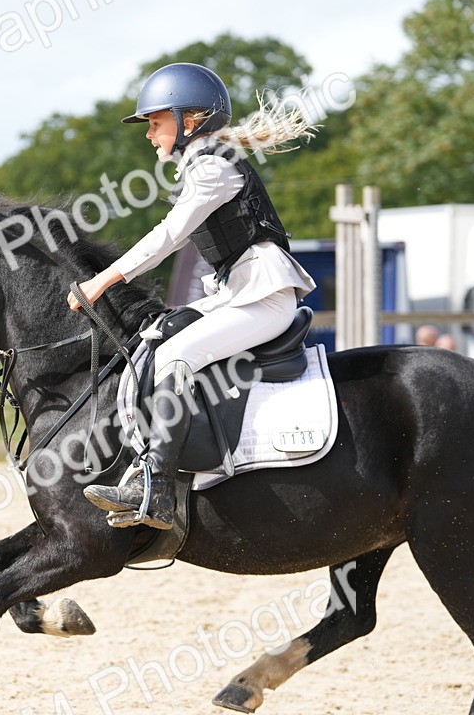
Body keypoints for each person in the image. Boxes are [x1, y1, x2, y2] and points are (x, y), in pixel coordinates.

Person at [71, 62, 317, 530]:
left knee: (176, 356)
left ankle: (158, 488)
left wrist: (101, 281)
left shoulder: (212, 169)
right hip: (239, 293)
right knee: (157, 335)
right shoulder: (206, 163)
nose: (149, 134)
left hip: (263, 297)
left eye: (156, 122)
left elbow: (169, 237)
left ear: (190, 120)